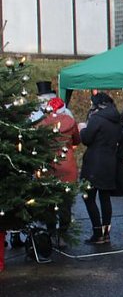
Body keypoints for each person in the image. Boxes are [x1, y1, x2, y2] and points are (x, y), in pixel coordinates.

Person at [79, 92, 122, 244]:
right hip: (110, 161)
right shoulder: (117, 118)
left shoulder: (96, 119)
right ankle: (106, 233)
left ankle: (97, 233)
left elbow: (86, 139)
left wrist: (82, 129)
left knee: (88, 197)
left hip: (94, 163)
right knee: (105, 198)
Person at [38, 97, 80, 246]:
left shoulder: (42, 123)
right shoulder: (70, 122)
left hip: (49, 166)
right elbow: (77, 140)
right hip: (67, 165)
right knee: (65, 202)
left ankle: (50, 233)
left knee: (50, 202)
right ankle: (63, 233)